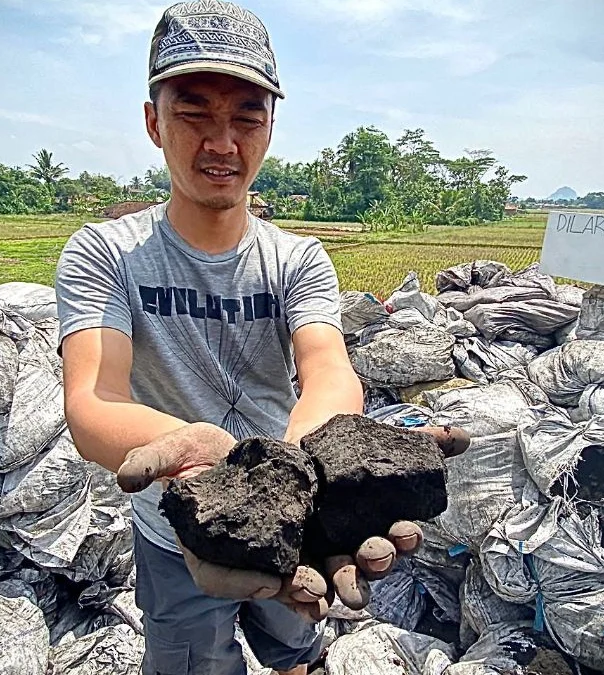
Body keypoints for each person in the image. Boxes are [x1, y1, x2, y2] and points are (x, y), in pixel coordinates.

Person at [55, 2, 466, 673]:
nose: (222, 142)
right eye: (194, 112)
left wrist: (308, 463)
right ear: (153, 121)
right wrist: (199, 458)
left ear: (271, 126)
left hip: (294, 517)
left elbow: (327, 368)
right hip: (175, 529)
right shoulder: (106, 254)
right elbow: (92, 399)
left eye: (247, 115)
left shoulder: (295, 259)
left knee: (296, 639)